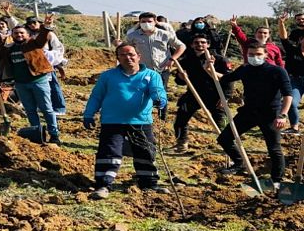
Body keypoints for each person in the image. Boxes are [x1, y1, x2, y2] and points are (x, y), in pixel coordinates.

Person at [83, 43, 170, 199]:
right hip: (112, 120)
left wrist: (159, 100)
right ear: (118, 58)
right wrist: (89, 114)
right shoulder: (108, 76)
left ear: (138, 56)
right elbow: (96, 96)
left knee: (145, 152)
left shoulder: (151, 75)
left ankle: (149, 183)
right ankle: (103, 185)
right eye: (122, 55)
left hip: (141, 121)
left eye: (131, 54)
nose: (127, 57)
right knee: (109, 152)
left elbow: (158, 90)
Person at [204, 42, 292, 189]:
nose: (254, 57)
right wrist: (208, 68)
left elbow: (288, 94)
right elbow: (223, 78)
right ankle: (239, 163)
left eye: (258, 54)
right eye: (251, 54)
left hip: (270, 114)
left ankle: (277, 180)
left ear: (265, 55)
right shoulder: (245, 69)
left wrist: (283, 115)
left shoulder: (277, 71)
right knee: (224, 139)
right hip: (249, 112)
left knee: (274, 149)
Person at [0, 14, 61, 144]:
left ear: (27, 34)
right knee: (30, 110)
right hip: (21, 84)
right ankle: (37, 134)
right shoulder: (9, 49)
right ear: (12, 35)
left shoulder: (34, 44)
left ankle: (54, 135)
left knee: (47, 109)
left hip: (39, 81)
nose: (19, 35)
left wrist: (46, 26)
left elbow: (42, 37)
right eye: (16, 33)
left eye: (22, 33)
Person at [172, 34, 231, 152]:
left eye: (203, 42)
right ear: (192, 45)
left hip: (215, 96)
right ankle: (182, 142)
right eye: (196, 42)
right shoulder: (186, 60)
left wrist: (225, 97)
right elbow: (179, 82)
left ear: (208, 44)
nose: (200, 45)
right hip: (194, 94)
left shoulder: (219, 59)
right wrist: (181, 77)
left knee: (222, 123)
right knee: (180, 120)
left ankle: (229, 146)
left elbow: (229, 80)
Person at [124, 12, 186, 90]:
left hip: (162, 69)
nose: (146, 24)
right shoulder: (132, 36)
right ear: (139, 22)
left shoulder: (165, 34)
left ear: (155, 22)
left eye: (149, 21)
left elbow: (181, 46)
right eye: (143, 21)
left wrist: (172, 59)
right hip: (142, 70)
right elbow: (126, 49)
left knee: (159, 95)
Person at [22, 15, 67, 115]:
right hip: (35, 64)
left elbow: (58, 48)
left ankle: (59, 108)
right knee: (40, 86)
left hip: (48, 63)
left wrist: (50, 57)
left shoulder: (49, 34)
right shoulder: (28, 35)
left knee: (53, 85)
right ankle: (44, 106)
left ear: (39, 23)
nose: (32, 25)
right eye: (30, 24)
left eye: (34, 22)